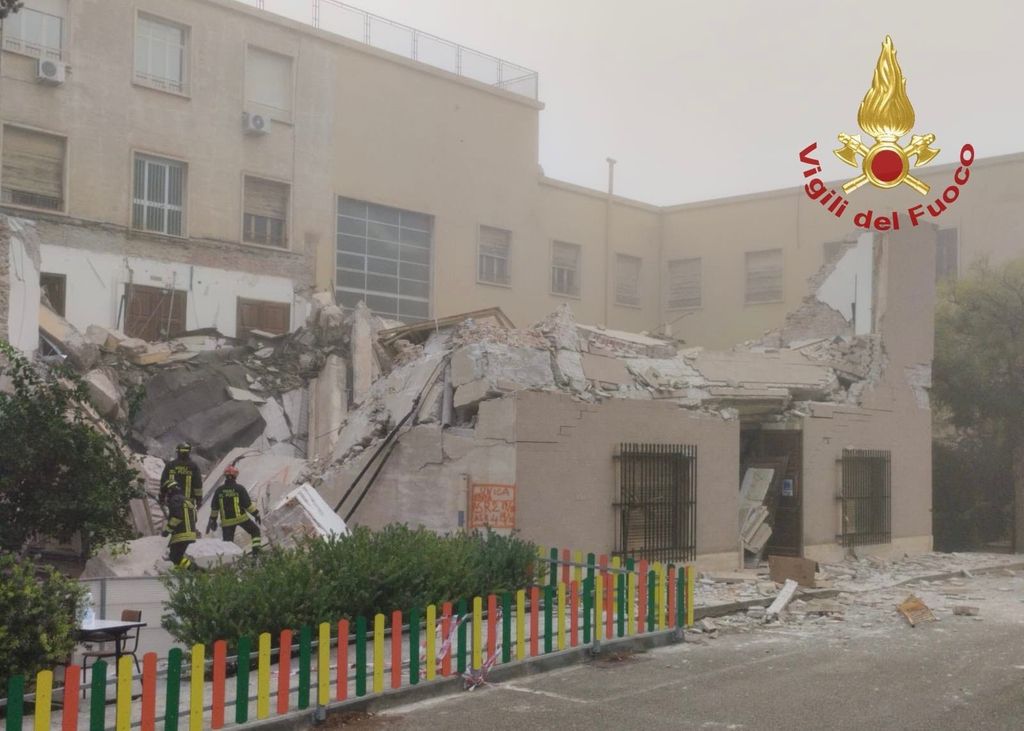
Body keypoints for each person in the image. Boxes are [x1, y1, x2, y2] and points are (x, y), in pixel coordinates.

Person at [207, 465, 262, 554]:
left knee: (228, 545)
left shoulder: (219, 490)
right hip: (241, 518)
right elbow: (247, 505)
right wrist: (256, 513)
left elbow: (214, 508)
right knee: (255, 531)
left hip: (227, 522)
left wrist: (213, 520)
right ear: (235, 476)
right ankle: (256, 554)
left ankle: (229, 563)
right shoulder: (239, 488)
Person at [161, 477, 198, 570]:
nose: (166, 496)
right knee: (180, 557)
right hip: (191, 535)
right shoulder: (188, 501)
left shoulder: (175, 500)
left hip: (180, 536)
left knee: (175, 557)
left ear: (169, 491)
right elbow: (195, 518)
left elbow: (177, 516)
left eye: (166, 493)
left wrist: (167, 530)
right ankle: (185, 574)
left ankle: (195, 570)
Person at [160, 442, 204, 507]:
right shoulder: (193, 466)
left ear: (177, 452)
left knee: (173, 517)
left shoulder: (170, 465)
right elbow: (198, 485)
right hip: (188, 502)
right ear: (189, 452)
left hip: (173, 501)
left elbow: (163, 482)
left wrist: (162, 498)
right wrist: (199, 500)